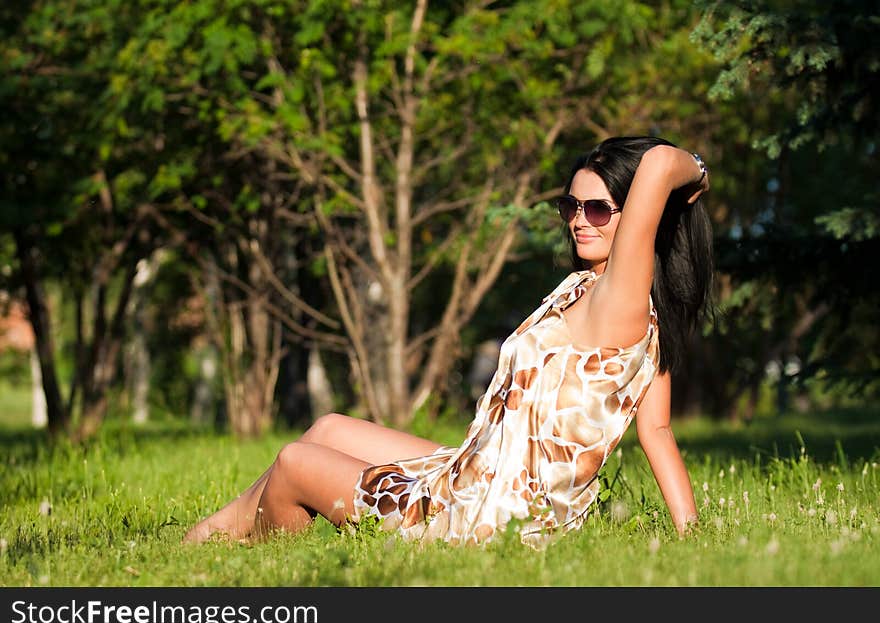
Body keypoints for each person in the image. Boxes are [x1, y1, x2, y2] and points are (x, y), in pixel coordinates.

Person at [183, 136, 713, 549]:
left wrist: (695, 178)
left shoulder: (621, 297)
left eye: (598, 209)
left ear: (641, 218)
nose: (579, 220)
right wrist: (692, 534)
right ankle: (221, 532)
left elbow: (663, 162)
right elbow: (657, 430)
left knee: (296, 463)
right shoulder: (596, 294)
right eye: (570, 206)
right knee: (328, 429)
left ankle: (250, 559)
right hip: (481, 475)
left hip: (490, 516)